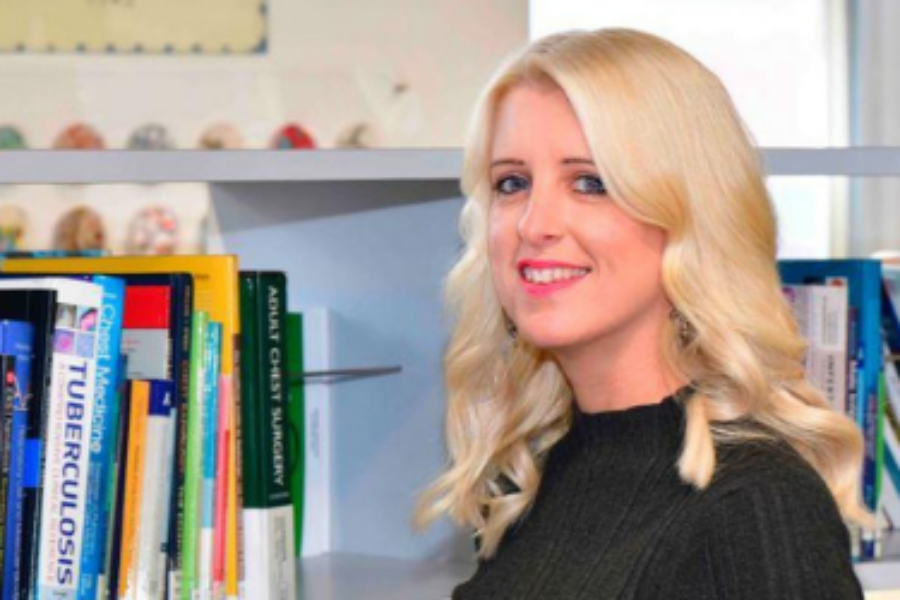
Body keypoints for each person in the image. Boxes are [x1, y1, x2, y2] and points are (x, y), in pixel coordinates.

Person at [414, 28, 870, 599]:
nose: (534, 224)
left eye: (590, 182)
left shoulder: (755, 502)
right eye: (512, 183)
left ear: (690, 215)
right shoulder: (535, 473)